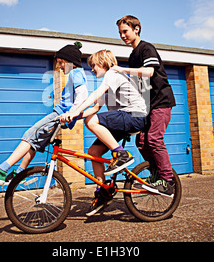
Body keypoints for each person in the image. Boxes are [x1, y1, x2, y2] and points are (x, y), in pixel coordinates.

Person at [0, 42, 88, 185]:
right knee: (34, 144)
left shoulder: (76, 73)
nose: (59, 66)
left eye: (61, 62)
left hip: (59, 115)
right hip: (61, 116)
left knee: (30, 135)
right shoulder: (75, 74)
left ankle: (1, 170)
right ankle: (19, 173)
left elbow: (82, 95)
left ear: (70, 61)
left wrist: (71, 113)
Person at [62, 49, 147, 215]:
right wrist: (72, 117)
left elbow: (95, 95)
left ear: (103, 63)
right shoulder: (109, 83)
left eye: (93, 65)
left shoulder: (112, 74)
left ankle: (121, 155)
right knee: (94, 151)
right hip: (124, 118)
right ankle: (103, 190)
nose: (92, 69)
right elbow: (95, 107)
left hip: (134, 116)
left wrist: (75, 110)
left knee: (91, 121)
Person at [113, 15, 176, 197]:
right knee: (141, 141)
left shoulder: (146, 48)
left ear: (136, 29)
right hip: (148, 105)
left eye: (125, 31)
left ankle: (167, 180)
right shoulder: (133, 55)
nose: (122, 36)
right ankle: (156, 174)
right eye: (120, 33)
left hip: (161, 102)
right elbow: (137, 86)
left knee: (154, 138)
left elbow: (148, 72)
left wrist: (122, 69)